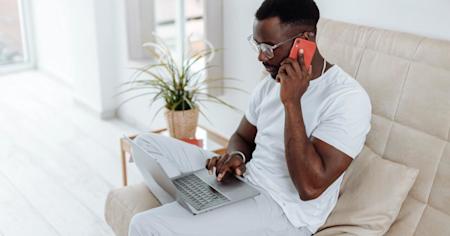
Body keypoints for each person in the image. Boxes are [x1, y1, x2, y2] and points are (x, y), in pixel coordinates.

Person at [129, 0, 372, 235]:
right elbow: (242, 136)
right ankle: (198, 211)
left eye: (268, 48)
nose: (261, 57)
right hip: (247, 181)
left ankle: (194, 218)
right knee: (144, 145)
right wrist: (237, 155)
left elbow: (309, 188)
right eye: (257, 46)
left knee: (144, 225)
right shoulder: (270, 83)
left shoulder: (347, 98)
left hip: (284, 212)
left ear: (305, 41)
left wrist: (292, 102)